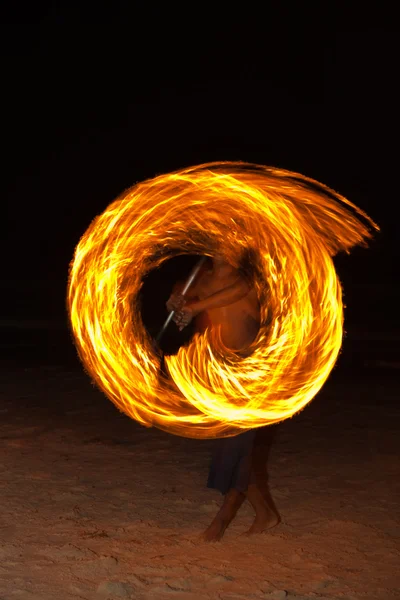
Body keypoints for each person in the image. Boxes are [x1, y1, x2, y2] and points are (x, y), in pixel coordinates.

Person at [166, 254, 280, 541]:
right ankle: (265, 514)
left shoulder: (247, 279)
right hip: (219, 374)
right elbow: (184, 291)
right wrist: (176, 299)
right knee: (231, 449)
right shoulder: (202, 280)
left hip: (250, 372)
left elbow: (231, 294)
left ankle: (222, 520)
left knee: (236, 447)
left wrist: (194, 306)